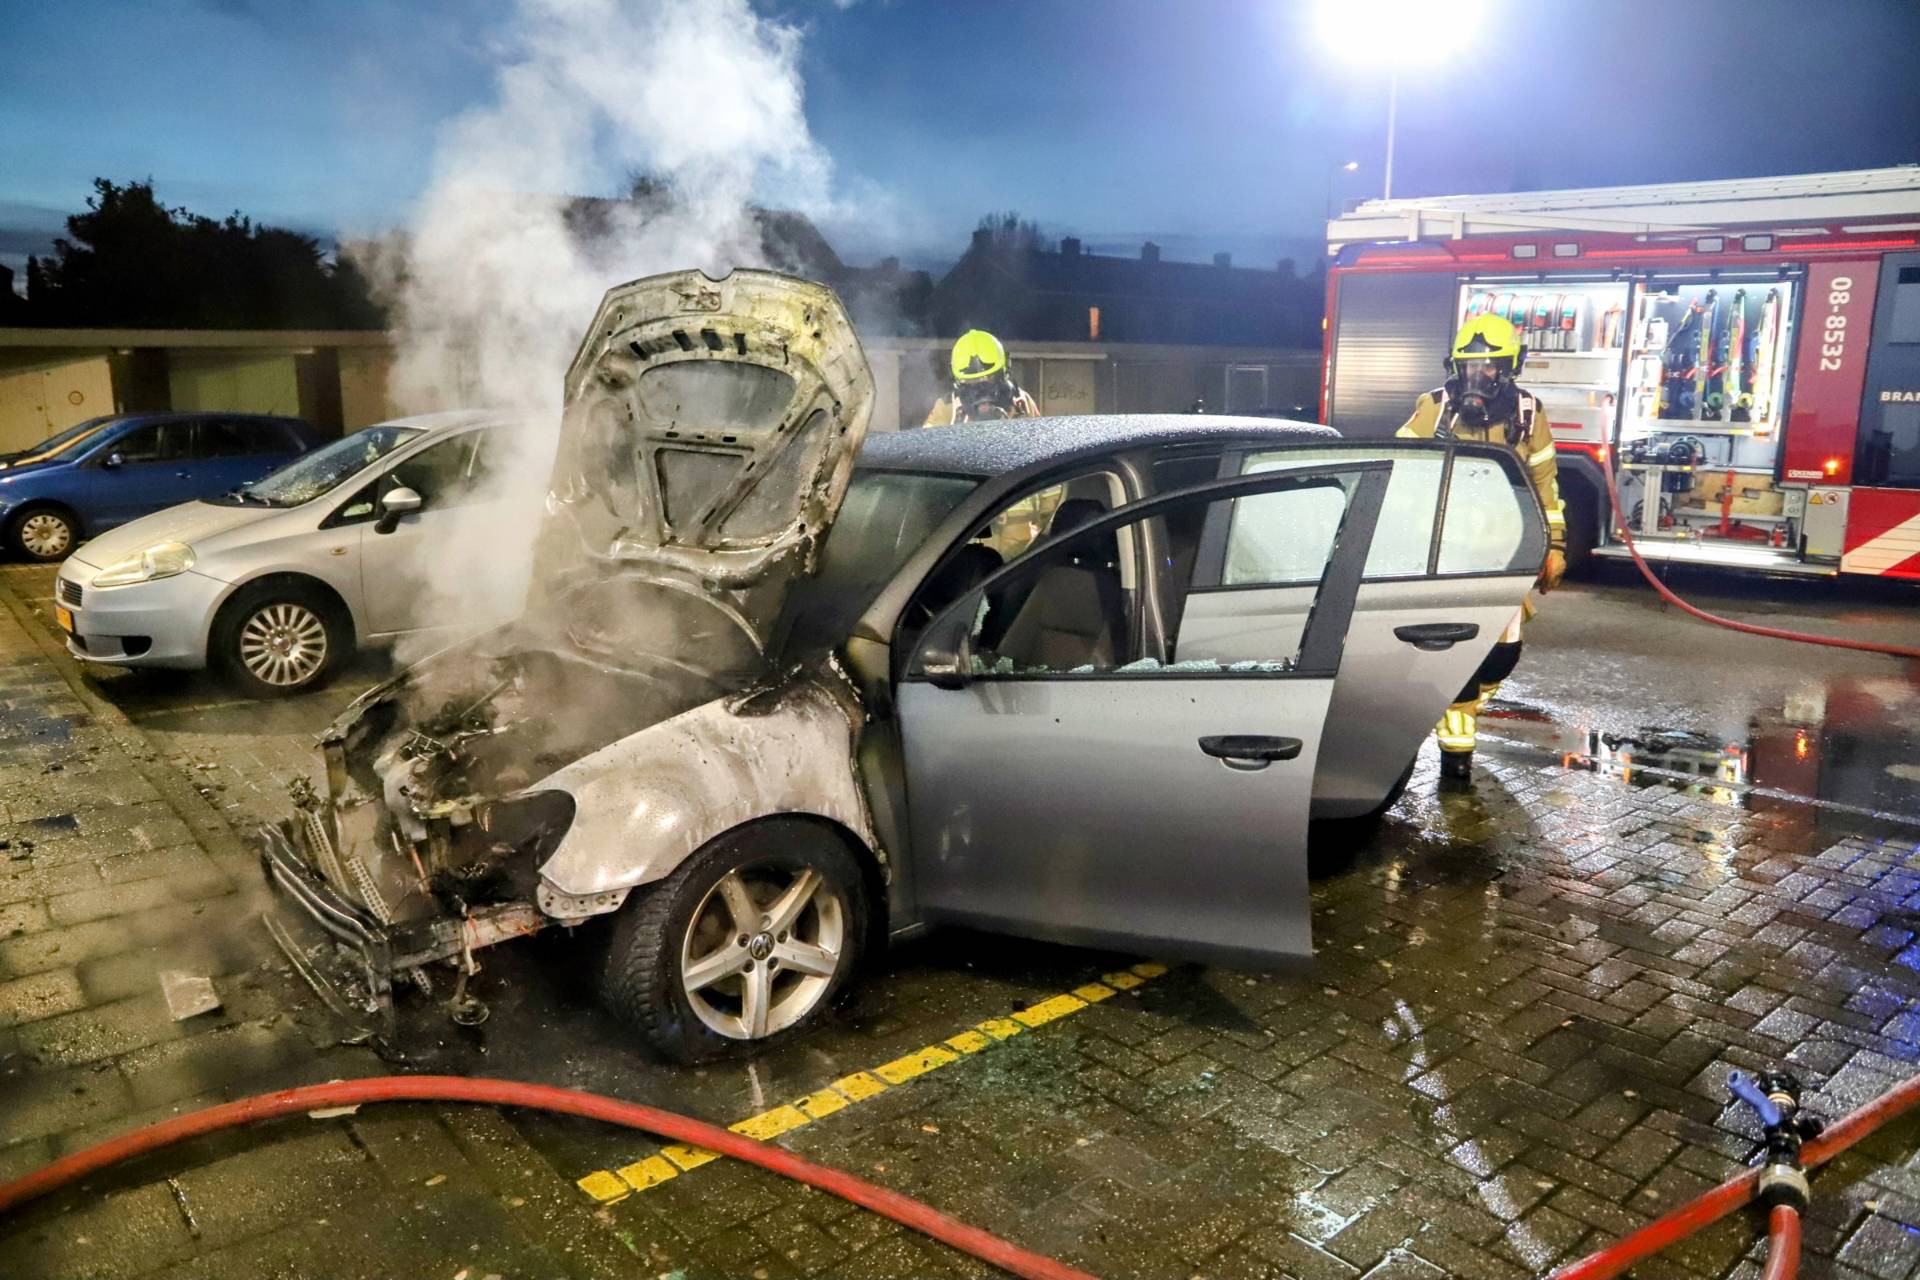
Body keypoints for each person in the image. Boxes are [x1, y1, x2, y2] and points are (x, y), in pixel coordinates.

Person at [1397, 313, 1567, 786]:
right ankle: (1456, 753)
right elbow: (1401, 468)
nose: (1479, 377)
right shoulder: (1434, 408)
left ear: (1509, 368)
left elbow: (1545, 484)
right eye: (1470, 367)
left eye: (1490, 367)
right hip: (1446, 554)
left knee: (1502, 655)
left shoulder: (1528, 413)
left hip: (1505, 550)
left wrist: (1554, 545)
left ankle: (1459, 709)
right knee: (1453, 649)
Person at [924, 330, 1039, 425]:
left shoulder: (1021, 403)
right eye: (970, 381)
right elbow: (928, 442)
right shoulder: (946, 408)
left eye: (989, 378)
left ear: (1004, 372)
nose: (981, 391)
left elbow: (1037, 440)